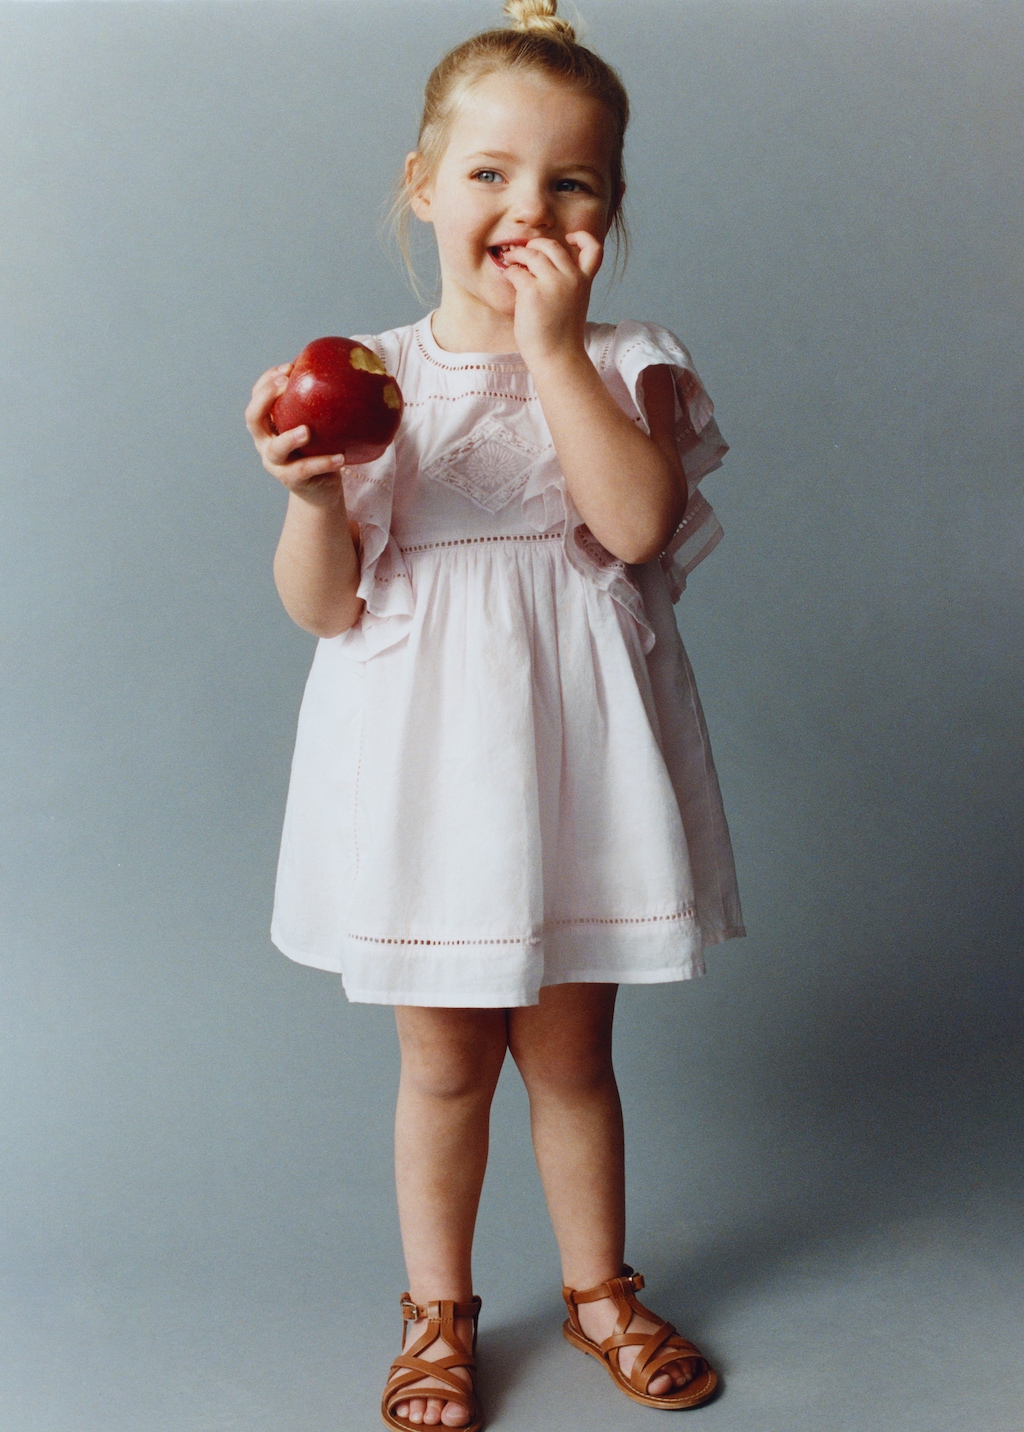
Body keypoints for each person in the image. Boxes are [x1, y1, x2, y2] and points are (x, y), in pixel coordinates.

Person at [245, 2, 744, 1425]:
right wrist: (306, 497)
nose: (527, 206)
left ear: (611, 209)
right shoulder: (372, 381)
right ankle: (439, 1314)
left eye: (570, 182)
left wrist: (557, 348)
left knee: (575, 1060)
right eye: (489, 174)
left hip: (576, 759)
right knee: (445, 1061)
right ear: (423, 186)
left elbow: (637, 527)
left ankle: (599, 1292)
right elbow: (326, 608)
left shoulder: (625, 358)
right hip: (427, 764)